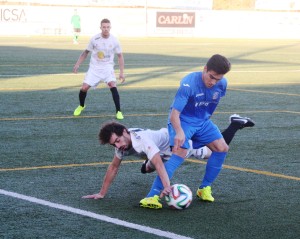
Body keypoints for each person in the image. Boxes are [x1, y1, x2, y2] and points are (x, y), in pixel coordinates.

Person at [82, 114, 254, 203]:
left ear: (125, 132)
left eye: (118, 141)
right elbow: (113, 168)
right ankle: (145, 164)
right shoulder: (122, 145)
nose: (118, 146)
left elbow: (159, 163)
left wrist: (167, 188)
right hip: (158, 151)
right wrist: (102, 193)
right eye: (114, 144)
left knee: (214, 150)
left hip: (176, 145)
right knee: (148, 167)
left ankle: (235, 123)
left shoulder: (142, 141)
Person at [140, 54, 232, 208]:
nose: (213, 82)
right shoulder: (188, 84)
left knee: (222, 148)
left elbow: (208, 105)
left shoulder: (222, 84)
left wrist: (203, 123)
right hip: (182, 121)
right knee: (181, 152)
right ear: (205, 69)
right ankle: (152, 196)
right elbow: (174, 114)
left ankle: (204, 189)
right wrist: (180, 132)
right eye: (211, 77)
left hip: (202, 122)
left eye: (218, 79)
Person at [73, 18, 125, 120]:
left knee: (112, 85)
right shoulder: (94, 39)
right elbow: (85, 52)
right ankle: (81, 106)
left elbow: (120, 56)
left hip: (107, 67)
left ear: (110, 27)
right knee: (84, 88)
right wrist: (77, 64)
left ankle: (118, 111)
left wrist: (121, 72)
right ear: (100, 27)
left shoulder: (114, 40)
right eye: (104, 27)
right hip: (94, 68)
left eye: (108, 27)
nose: (106, 29)